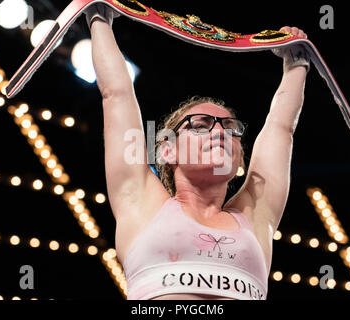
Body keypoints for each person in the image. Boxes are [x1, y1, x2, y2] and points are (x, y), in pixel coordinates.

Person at [86, 4, 309, 300]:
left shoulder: (256, 215)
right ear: (167, 150)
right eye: (200, 125)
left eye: (230, 128)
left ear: (241, 157)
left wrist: (298, 62)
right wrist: (99, 16)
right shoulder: (140, 203)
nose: (219, 132)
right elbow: (116, 94)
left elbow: (281, 128)